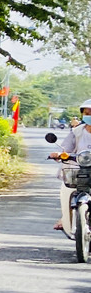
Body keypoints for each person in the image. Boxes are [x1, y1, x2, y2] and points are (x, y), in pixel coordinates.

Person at [49, 99, 91, 231]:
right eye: (87, 113)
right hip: (80, 171)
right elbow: (66, 149)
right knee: (67, 190)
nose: (89, 116)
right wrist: (59, 154)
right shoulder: (77, 132)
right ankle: (66, 218)